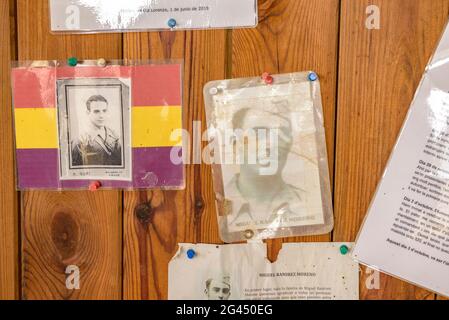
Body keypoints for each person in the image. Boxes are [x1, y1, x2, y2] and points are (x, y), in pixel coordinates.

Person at [225, 100, 306, 227]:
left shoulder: (309, 204)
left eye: (281, 134)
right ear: (235, 144)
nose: (272, 143)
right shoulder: (215, 205)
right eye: (258, 133)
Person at [71, 95, 122, 166]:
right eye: (96, 111)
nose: (101, 115)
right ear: (88, 113)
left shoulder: (114, 135)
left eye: (104, 111)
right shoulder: (80, 140)